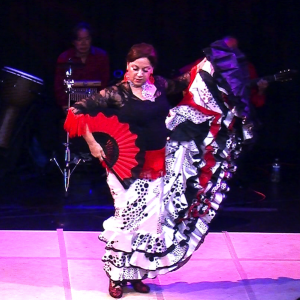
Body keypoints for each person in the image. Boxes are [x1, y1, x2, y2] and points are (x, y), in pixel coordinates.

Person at [64, 41, 253, 298]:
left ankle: (136, 273)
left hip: (157, 164)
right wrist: (93, 143)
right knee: (126, 222)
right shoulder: (116, 93)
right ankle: (116, 277)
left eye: (145, 69)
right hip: (125, 167)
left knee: (149, 224)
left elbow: (189, 79)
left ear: (152, 70)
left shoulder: (161, 87)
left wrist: (214, 61)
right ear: (127, 67)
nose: (139, 74)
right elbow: (76, 111)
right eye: (134, 68)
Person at [54, 22, 110, 112]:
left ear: (91, 40)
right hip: (71, 103)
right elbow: (58, 84)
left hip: (95, 103)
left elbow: (105, 82)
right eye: (79, 40)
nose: (83, 43)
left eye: (87, 39)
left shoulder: (101, 56)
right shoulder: (64, 58)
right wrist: (64, 104)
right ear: (73, 42)